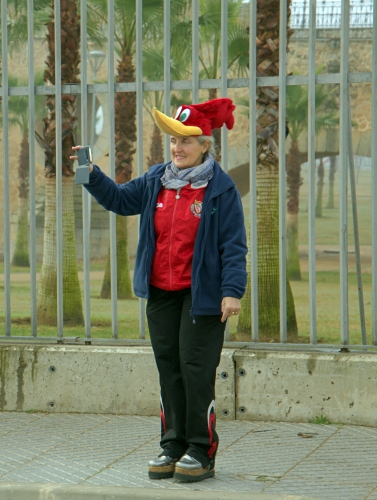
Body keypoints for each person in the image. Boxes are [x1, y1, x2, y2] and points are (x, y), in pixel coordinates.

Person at [74, 98, 247, 483]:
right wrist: (90, 173)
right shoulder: (157, 180)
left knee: (196, 369)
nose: (177, 148)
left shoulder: (220, 189)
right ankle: (173, 445)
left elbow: (233, 245)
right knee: (169, 369)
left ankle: (201, 450)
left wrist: (232, 291)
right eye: (173, 140)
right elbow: (120, 200)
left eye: (186, 141)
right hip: (162, 294)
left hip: (201, 297)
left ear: (206, 145)